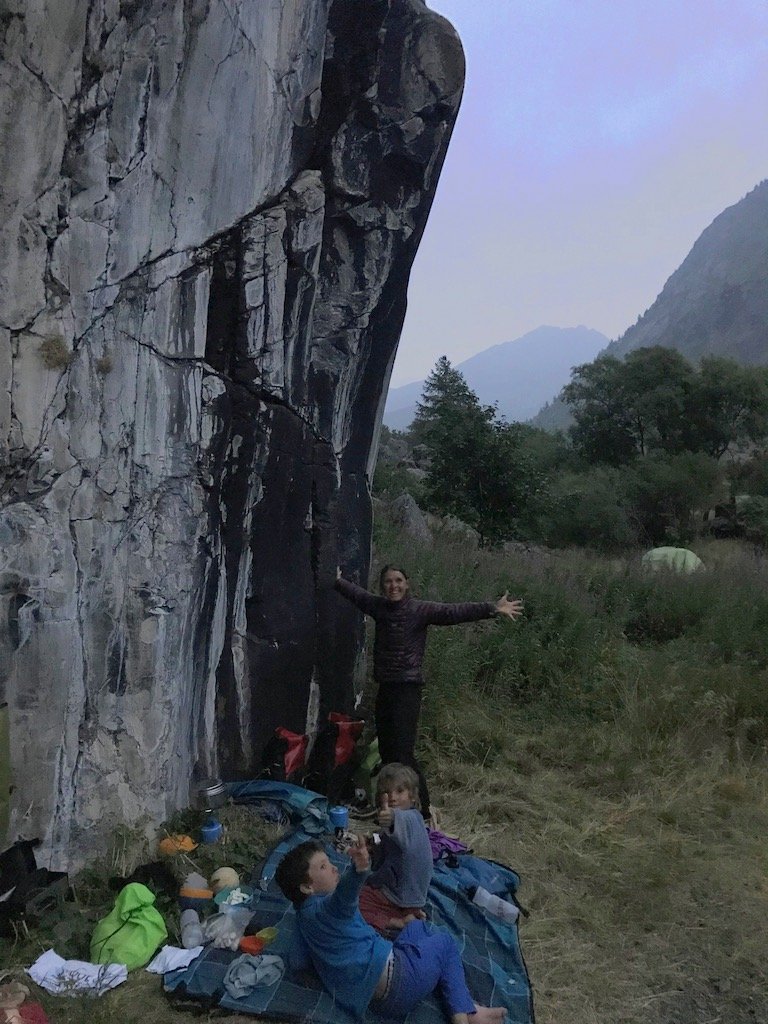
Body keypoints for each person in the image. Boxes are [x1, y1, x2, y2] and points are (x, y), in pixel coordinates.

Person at [335, 565, 523, 817]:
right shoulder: (378, 607)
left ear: (407, 583)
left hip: (407, 690)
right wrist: (335, 580)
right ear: (382, 586)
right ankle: (393, 808)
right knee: (388, 753)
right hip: (386, 688)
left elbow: (453, 611)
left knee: (403, 753)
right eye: (388, 581)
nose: (394, 586)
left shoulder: (419, 610)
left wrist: (492, 608)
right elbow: (357, 595)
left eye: (399, 580)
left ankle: (423, 809)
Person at [275, 835, 506, 1024]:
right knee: (445, 943)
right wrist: (358, 871)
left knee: (415, 927)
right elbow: (344, 898)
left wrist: (397, 924)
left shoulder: (302, 920)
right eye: (324, 867)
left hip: (377, 1004)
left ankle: (467, 1006)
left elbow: (297, 961)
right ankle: (465, 1016)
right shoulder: (329, 909)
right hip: (401, 982)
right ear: (307, 887)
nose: (334, 868)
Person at [359, 763, 432, 934]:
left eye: (399, 791)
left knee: (354, 902)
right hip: (409, 891)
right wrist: (372, 842)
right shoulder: (411, 820)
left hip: (399, 893)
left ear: (413, 796)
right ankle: (411, 912)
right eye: (387, 792)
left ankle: (398, 922)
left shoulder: (411, 818)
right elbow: (386, 840)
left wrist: (391, 817)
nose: (392, 797)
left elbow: (397, 821)